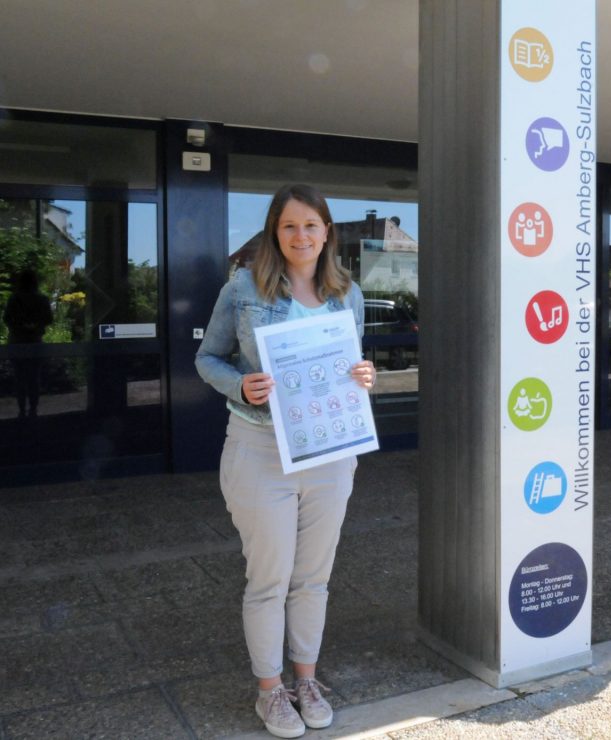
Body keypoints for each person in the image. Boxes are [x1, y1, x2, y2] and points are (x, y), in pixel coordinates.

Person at [196, 184, 376, 738]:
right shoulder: (244, 288)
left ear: (327, 233)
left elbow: (349, 368)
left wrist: (365, 378)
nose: (301, 236)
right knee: (269, 579)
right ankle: (270, 692)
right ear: (276, 232)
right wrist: (240, 386)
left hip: (329, 453)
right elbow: (208, 358)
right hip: (260, 450)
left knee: (314, 579)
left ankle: (306, 680)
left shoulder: (349, 294)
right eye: (290, 226)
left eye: (311, 226)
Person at [4, 268, 53, 418]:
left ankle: (21, 410)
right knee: (34, 377)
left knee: (20, 377)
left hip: (17, 341)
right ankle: (33, 409)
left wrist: (19, 326)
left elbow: (7, 318)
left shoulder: (14, 299)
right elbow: (49, 319)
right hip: (35, 342)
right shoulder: (42, 299)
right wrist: (36, 326)